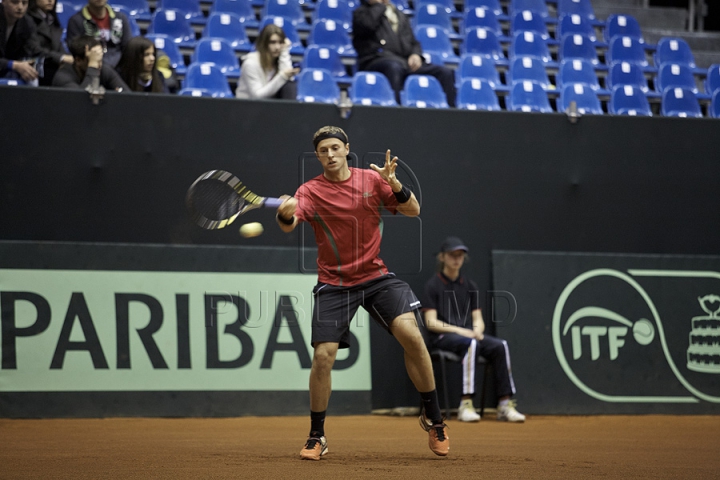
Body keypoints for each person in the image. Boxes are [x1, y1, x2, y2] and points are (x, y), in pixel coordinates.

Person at [275, 126, 449, 460]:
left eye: (335, 148)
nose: (330, 154)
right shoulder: (309, 190)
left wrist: (394, 183)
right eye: (323, 150)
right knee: (323, 355)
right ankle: (317, 436)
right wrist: (285, 212)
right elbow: (290, 222)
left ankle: (435, 418)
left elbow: (413, 210)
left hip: (376, 276)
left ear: (346, 149)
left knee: (412, 336)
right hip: (334, 283)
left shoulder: (371, 181)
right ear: (318, 155)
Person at [422, 236, 526, 423]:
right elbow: (431, 322)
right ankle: (466, 404)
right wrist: (463, 332)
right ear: (442, 257)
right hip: (442, 338)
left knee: (500, 345)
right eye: (452, 255)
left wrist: (477, 330)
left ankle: (504, 404)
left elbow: (478, 319)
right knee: (471, 343)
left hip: (467, 336)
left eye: (460, 255)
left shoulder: (470, 286)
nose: (456, 259)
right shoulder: (433, 285)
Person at [352, 0, 456, 107]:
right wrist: (378, 5)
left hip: (403, 62)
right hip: (375, 60)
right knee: (394, 67)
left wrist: (415, 55)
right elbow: (368, 25)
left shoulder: (400, 15)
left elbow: (413, 42)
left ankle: (451, 113)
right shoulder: (361, 12)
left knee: (444, 72)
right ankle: (397, 113)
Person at [235, 24, 298, 99]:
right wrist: (283, 76)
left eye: (280, 42)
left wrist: (284, 51)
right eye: (272, 42)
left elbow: (288, 79)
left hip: (268, 106)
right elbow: (257, 96)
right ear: (264, 43)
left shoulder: (278, 61)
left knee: (289, 85)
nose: (277, 47)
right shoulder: (250, 64)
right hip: (248, 106)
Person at [65, 0, 132, 68]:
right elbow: (75, 50)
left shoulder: (121, 18)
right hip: (90, 66)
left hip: (118, 66)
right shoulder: (76, 21)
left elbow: (127, 47)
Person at [52, 35, 128, 91]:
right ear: (78, 60)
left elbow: (129, 97)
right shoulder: (63, 77)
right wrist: (92, 67)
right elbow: (80, 104)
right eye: (93, 60)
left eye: (99, 59)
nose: (99, 65)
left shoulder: (103, 69)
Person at [27, 0, 72, 86]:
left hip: (51, 64)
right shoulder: (28, 20)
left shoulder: (52, 20)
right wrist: (61, 58)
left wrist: (66, 58)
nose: (50, 0)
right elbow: (34, 49)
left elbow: (58, 45)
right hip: (36, 65)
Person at [0, 0, 42, 84]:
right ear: (3, 2)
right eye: (15, 2)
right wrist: (13, 64)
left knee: (32, 78)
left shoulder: (27, 22)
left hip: (9, 69)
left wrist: (29, 64)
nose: (20, 7)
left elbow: (33, 49)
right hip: (8, 66)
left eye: (24, 3)